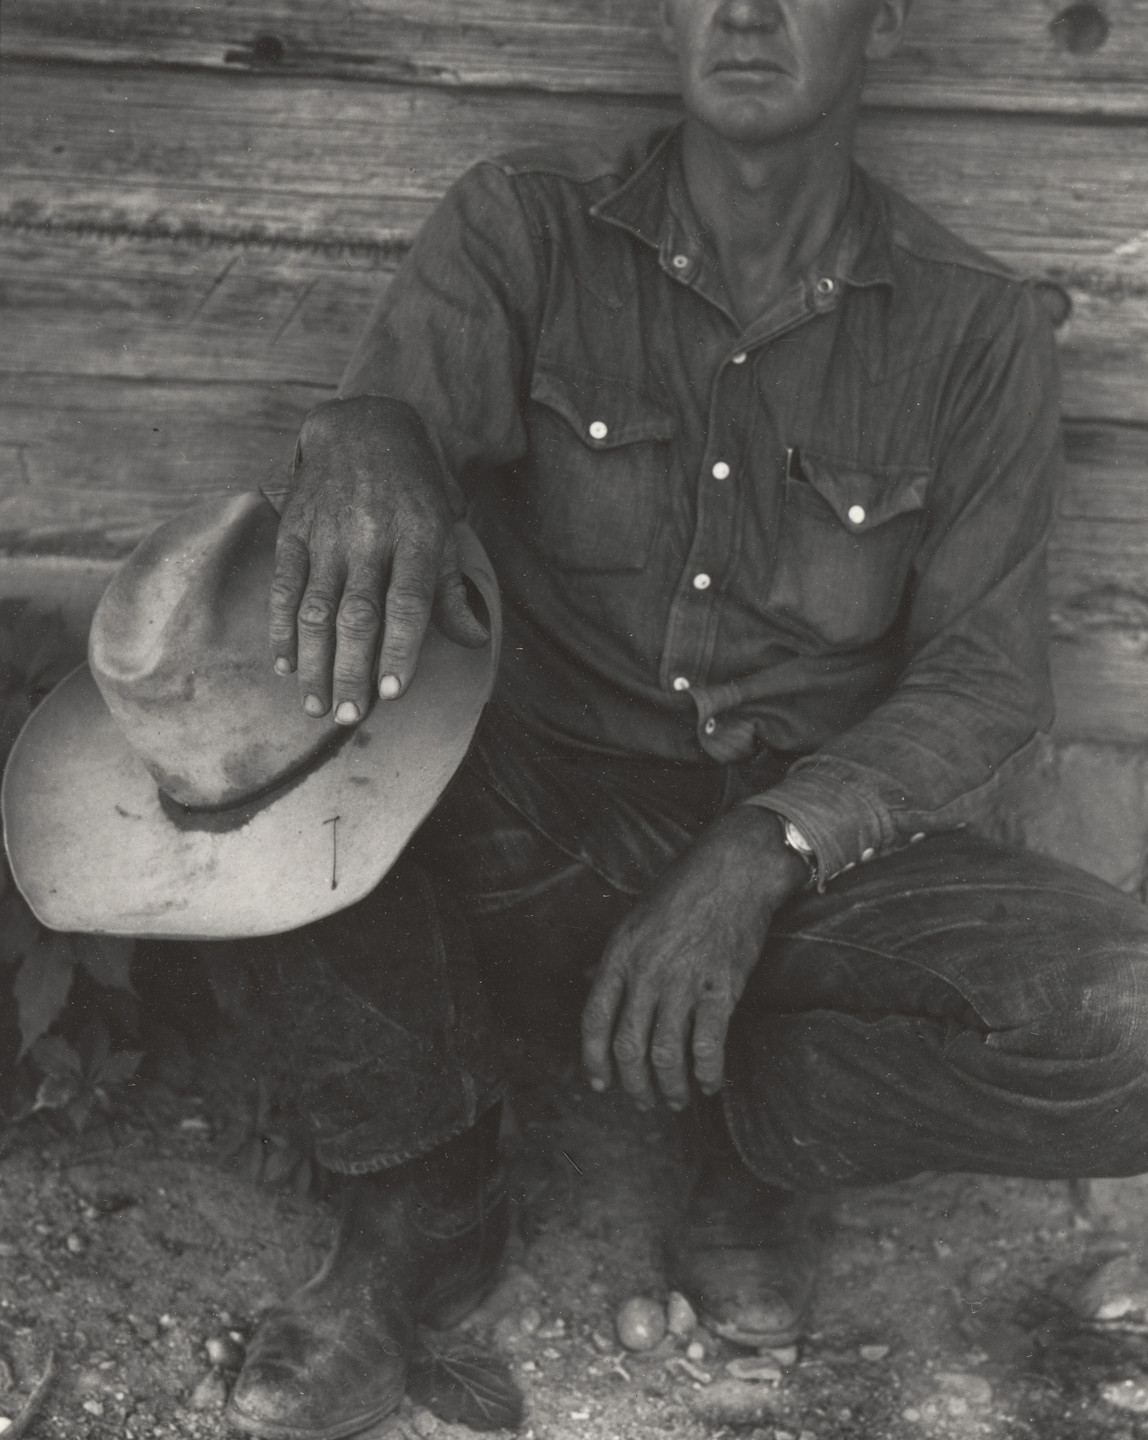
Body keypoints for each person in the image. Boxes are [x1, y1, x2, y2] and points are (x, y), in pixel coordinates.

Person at [219, 2, 1148, 1436]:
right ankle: (421, 1210)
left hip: (808, 868)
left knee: (1126, 1021)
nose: (748, 10)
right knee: (266, 737)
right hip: (529, 819)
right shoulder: (525, 233)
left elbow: (985, 680)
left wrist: (764, 849)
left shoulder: (975, 330)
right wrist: (368, 434)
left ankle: (763, 1139)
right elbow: (383, 446)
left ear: (884, 15)